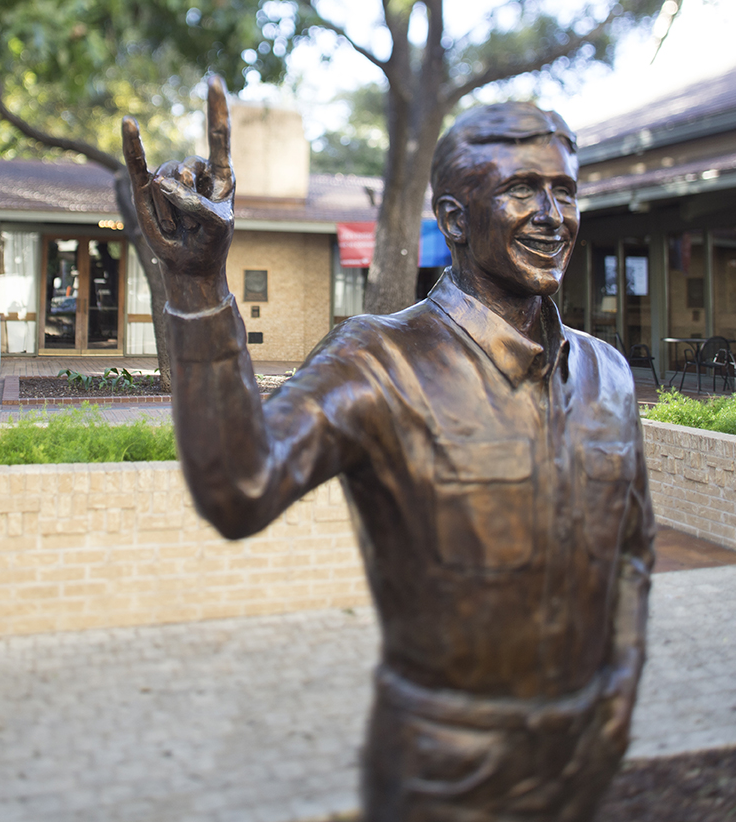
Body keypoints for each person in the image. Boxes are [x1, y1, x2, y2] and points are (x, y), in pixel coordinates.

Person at [122, 77, 654, 822]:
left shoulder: (609, 374)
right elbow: (239, 489)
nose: (552, 216)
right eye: (522, 191)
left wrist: (621, 686)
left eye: (564, 191)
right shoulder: (378, 361)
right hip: (446, 768)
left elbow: (632, 550)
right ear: (454, 217)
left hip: (587, 744)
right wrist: (197, 284)